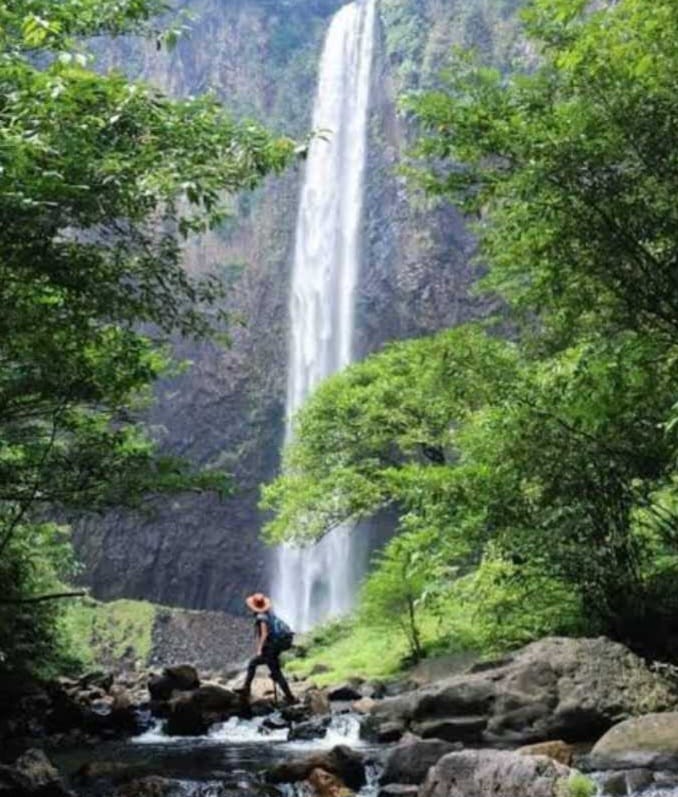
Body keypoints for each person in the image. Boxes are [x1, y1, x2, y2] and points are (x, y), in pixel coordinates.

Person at [241, 592, 297, 704]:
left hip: (271, 648)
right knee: (273, 671)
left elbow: (264, 634)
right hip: (276, 646)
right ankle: (290, 697)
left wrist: (260, 649)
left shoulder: (261, 617)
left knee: (256, 664)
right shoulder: (270, 615)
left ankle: (246, 689)